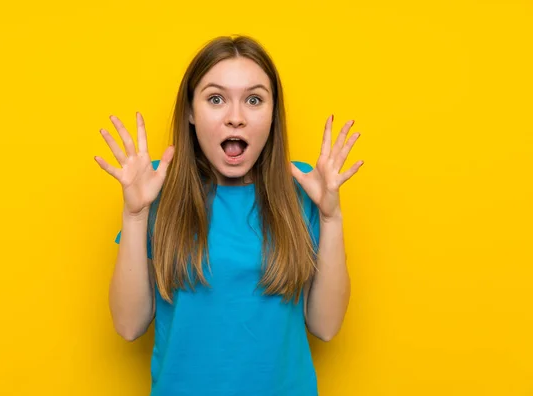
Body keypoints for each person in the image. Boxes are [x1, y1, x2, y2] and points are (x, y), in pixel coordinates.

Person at [94, 34, 363, 396]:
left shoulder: (303, 188)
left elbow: (326, 327)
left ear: (272, 114)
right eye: (216, 99)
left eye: (254, 100)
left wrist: (331, 219)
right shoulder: (156, 188)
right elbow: (128, 325)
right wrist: (134, 214)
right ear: (190, 111)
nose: (235, 118)